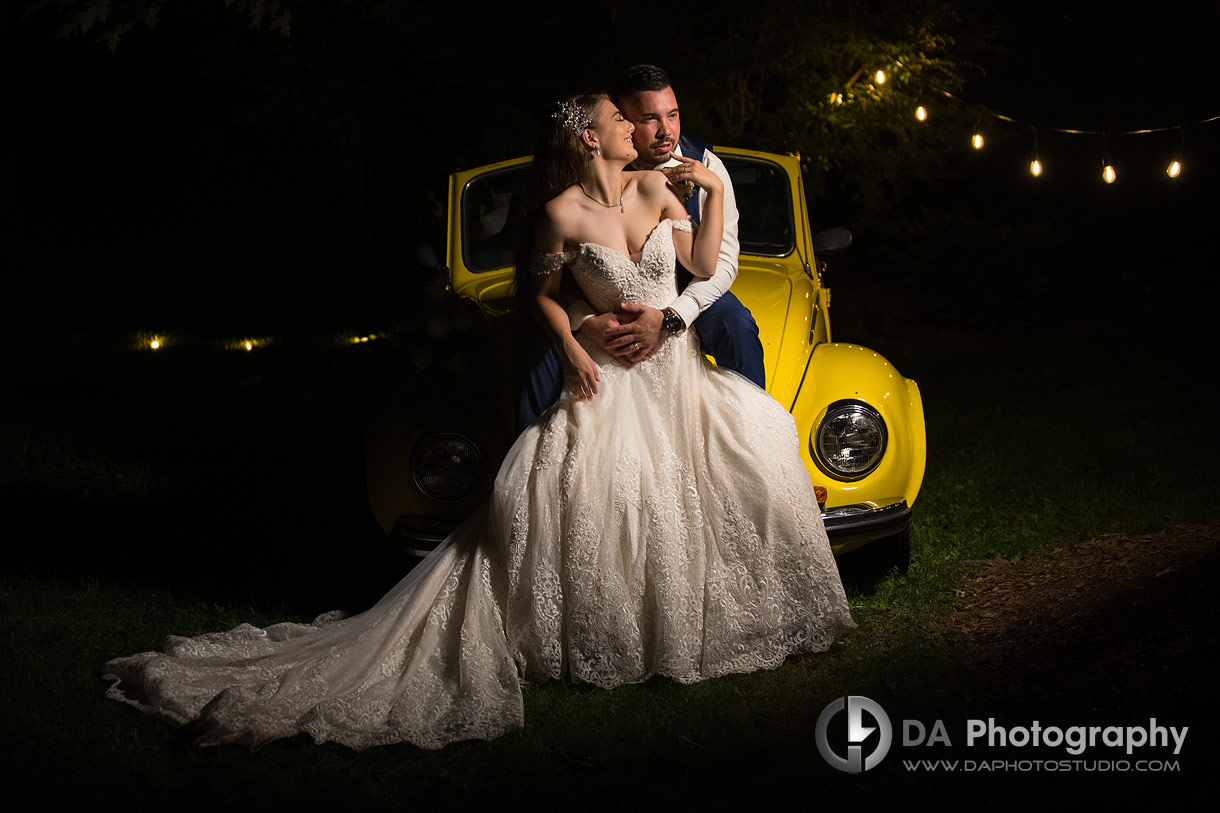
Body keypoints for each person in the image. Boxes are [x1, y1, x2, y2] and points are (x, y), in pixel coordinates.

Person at [101, 94, 852, 751]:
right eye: (620, 117)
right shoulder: (559, 213)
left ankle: (701, 621)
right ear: (590, 138)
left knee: (745, 450)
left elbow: (697, 257)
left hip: (674, 378)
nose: (638, 126)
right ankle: (611, 633)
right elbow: (543, 295)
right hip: (610, 380)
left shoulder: (661, 185)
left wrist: (714, 186)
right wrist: (572, 342)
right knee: (609, 493)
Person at [517, 65, 765, 430]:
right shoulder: (564, 204)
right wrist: (584, 325)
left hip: (688, 290)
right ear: (624, 120)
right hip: (605, 306)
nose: (665, 130)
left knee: (735, 324)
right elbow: (550, 284)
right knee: (538, 349)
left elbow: (719, 263)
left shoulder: (705, 165)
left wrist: (671, 316)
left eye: (674, 115)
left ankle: (754, 427)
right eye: (646, 118)